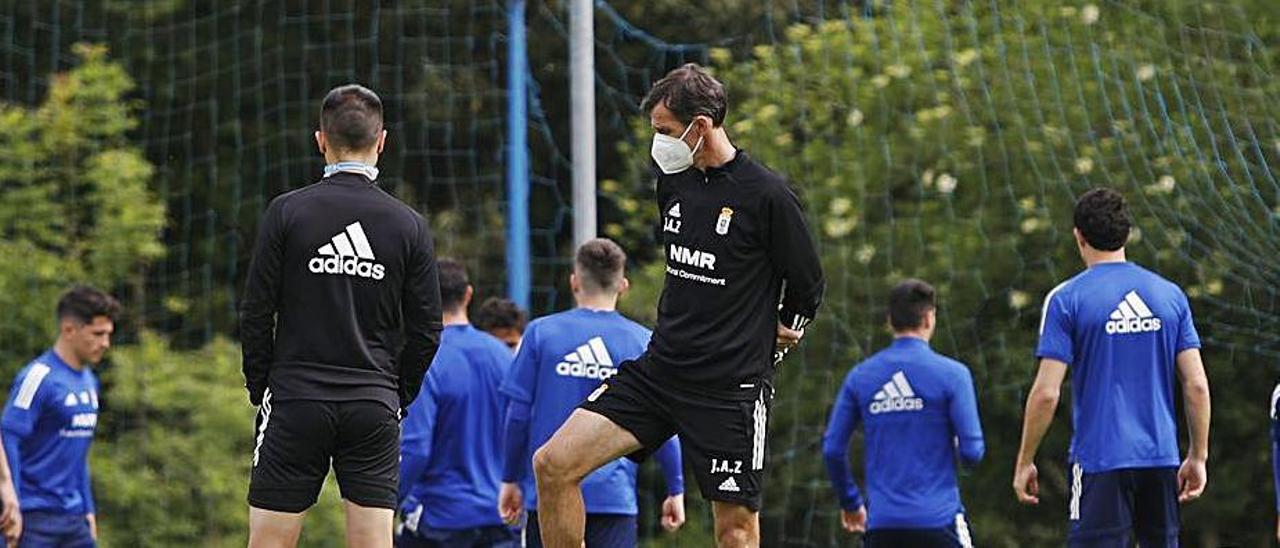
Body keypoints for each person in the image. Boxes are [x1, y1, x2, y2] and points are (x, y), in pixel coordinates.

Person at [532, 63, 825, 548]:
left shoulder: (767, 196)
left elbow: (808, 282)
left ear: (701, 127)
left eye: (665, 131)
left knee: (735, 532)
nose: (658, 143)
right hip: (660, 371)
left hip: (730, 388)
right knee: (553, 464)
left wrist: (784, 329)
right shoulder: (674, 181)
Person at [240, 83, 444, 548]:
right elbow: (427, 328)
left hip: (296, 397)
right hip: (371, 403)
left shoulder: (287, 211)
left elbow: (255, 311)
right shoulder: (407, 224)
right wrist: (395, 392)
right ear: (382, 141)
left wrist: (262, 384)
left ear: (320, 140)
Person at [1013, 188, 1210, 546]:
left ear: (1079, 236)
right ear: (1127, 234)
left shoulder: (1066, 299)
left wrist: (1025, 459)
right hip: (1160, 458)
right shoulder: (1169, 295)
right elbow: (1196, 385)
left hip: (1099, 459)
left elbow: (1046, 392)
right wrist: (1198, 455)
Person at [497, 239, 687, 547]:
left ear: (574, 282)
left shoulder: (541, 333)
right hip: (613, 497)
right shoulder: (643, 342)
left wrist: (510, 478)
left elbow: (517, 415)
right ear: (623, 285)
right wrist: (675, 488)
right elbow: (664, 424)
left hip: (550, 494)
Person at [822, 279, 983, 547]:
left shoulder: (861, 377)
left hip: (883, 524)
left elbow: (832, 450)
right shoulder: (953, 374)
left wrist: (851, 502)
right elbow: (972, 453)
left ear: (890, 321)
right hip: (939, 520)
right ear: (929, 318)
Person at [397, 260, 516, 547]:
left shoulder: (425, 359)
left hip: (441, 518)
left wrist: (388, 501)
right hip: (500, 515)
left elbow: (416, 446)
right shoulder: (504, 357)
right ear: (468, 295)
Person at [1, 286, 120, 548]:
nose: (105, 344)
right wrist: (11, 501)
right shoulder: (38, 377)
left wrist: (88, 508)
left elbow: (78, 454)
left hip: (73, 517)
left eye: (108, 335)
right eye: (98, 334)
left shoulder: (90, 381)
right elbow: (7, 436)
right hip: (34, 516)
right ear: (69, 330)